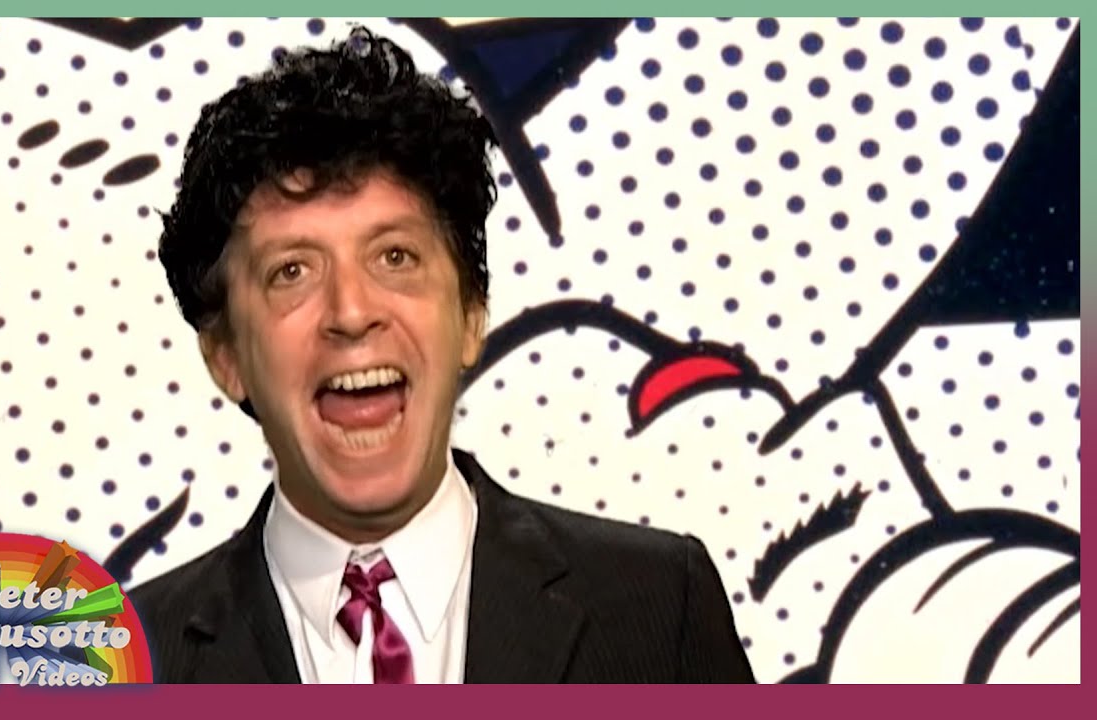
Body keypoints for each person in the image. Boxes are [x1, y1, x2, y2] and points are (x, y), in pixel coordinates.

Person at [129, 26, 755, 684]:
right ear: (224, 354)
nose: (351, 312)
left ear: (471, 315)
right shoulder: (124, 663)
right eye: (292, 271)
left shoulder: (662, 607)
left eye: (395, 257)